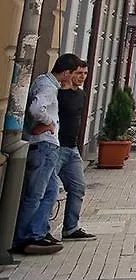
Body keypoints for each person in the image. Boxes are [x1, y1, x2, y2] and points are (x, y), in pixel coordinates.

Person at [13, 53, 84, 256]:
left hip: (47, 146)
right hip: (44, 146)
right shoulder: (48, 86)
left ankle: (38, 232)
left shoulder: (45, 82)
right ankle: (25, 237)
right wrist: (49, 122)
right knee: (36, 194)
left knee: (51, 191)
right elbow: (36, 109)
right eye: (73, 73)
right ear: (65, 72)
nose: (73, 78)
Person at [54, 60, 95, 242]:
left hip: (72, 148)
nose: (82, 77)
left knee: (78, 187)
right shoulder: (59, 93)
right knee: (50, 190)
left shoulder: (81, 94)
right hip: (56, 147)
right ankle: (41, 231)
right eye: (79, 73)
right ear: (70, 73)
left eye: (85, 74)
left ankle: (71, 228)